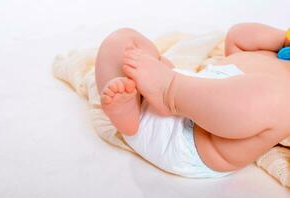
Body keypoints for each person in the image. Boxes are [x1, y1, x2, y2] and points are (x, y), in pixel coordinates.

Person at [94, 23, 290, 178]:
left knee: (277, 99)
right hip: (153, 106)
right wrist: (282, 38)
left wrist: (171, 87)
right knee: (121, 40)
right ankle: (127, 110)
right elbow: (237, 38)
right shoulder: (273, 54)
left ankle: (170, 91)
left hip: (202, 144)